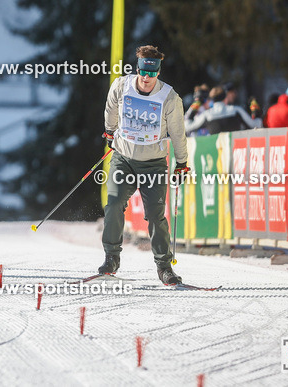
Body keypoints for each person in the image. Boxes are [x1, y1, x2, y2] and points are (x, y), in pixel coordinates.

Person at [101, 45, 189, 285]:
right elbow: (110, 109)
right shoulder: (121, 86)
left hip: (154, 164)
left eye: (152, 73)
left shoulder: (169, 97)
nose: (147, 78)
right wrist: (109, 132)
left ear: (158, 72)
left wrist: (182, 163)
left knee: (155, 214)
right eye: (144, 72)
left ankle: (164, 267)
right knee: (114, 203)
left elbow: (178, 133)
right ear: (137, 69)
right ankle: (111, 257)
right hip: (124, 158)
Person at [184, 86, 262, 135]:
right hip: (235, 154)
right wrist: (255, 109)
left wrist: (197, 103)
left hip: (217, 157)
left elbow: (187, 127)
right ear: (225, 98)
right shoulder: (236, 110)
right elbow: (256, 125)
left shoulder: (207, 115)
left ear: (212, 100)